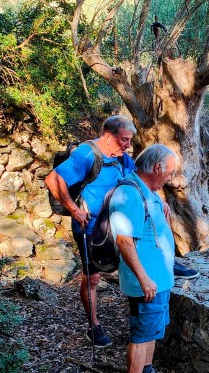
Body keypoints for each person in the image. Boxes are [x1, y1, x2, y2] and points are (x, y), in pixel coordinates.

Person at [45, 115, 137, 347]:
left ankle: (138, 322)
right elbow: (53, 178)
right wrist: (75, 210)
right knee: (93, 277)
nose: (128, 145)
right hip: (90, 228)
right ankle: (94, 326)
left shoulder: (122, 158)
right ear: (108, 136)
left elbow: (137, 181)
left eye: (129, 141)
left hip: (117, 225)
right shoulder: (87, 155)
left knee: (134, 264)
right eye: (124, 140)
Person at [108, 144, 182, 373]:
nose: (170, 178)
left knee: (151, 331)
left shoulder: (145, 190)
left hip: (158, 281)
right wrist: (144, 278)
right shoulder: (128, 193)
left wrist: (157, 200)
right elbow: (125, 241)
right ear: (158, 168)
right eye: (169, 173)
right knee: (141, 334)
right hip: (147, 283)